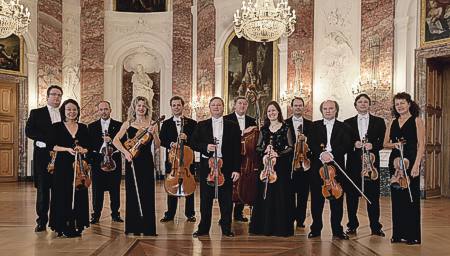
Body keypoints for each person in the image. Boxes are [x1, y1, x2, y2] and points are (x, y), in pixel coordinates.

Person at [191, 97, 241, 237]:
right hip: (207, 168)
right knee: (205, 200)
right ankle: (203, 229)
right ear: (210, 107)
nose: (216, 107)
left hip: (226, 167)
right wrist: (205, 147)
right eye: (213, 105)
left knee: (226, 200)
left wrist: (236, 169)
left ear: (223, 107)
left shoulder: (232, 125)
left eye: (219, 105)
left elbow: (237, 149)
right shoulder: (201, 125)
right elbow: (193, 143)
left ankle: (226, 229)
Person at [113, 96, 160, 236]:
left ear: (147, 108)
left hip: (146, 161)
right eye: (139, 105)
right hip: (132, 160)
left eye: (144, 106)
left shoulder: (152, 124)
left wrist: (154, 134)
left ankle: (148, 228)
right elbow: (116, 140)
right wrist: (125, 153)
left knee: (147, 192)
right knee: (133, 193)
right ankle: (133, 226)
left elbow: (157, 146)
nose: (141, 108)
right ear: (134, 107)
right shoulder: (128, 124)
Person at [383, 92, 425, 245]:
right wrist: (395, 145)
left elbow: (421, 145)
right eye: (397, 104)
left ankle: (412, 235)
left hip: (410, 161)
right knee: (397, 199)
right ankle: (397, 234)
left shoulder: (417, 120)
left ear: (409, 104)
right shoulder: (392, 122)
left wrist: (416, 165)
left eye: (402, 103)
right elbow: (385, 143)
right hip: (395, 163)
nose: (399, 106)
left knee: (411, 199)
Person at [307, 100, 352, 240]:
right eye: (325, 108)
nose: (328, 111)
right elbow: (311, 143)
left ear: (336, 110)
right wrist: (321, 154)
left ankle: (337, 230)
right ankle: (315, 228)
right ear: (322, 111)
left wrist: (332, 155)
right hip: (317, 167)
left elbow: (347, 145)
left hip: (336, 166)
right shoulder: (314, 126)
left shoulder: (344, 126)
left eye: (331, 108)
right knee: (316, 200)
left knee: (337, 200)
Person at [249, 101, 295, 237]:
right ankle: (264, 227)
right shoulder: (264, 129)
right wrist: (265, 149)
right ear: (266, 114)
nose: (271, 113)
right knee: (266, 195)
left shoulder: (286, 127)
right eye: (269, 111)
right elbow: (257, 147)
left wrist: (278, 153)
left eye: (274, 110)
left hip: (281, 167)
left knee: (280, 195)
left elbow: (291, 147)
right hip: (267, 166)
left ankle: (280, 228)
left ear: (278, 112)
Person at [344, 94, 386, 237]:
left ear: (369, 105)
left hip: (371, 164)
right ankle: (352, 225)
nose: (362, 104)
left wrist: (373, 145)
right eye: (360, 102)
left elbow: (383, 142)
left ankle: (375, 226)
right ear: (355, 105)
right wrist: (353, 144)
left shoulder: (379, 122)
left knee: (373, 196)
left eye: (365, 102)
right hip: (353, 164)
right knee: (351, 196)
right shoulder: (347, 122)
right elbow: (343, 143)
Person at [48, 99, 90, 237]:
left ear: (78, 111)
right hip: (62, 166)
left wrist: (82, 149)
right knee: (61, 194)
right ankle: (62, 225)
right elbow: (51, 145)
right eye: (69, 109)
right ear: (64, 111)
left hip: (78, 167)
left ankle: (77, 224)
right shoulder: (56, 126)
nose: (72, 112)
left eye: (74, 109)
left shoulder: (84, 127)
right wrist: (67, 149)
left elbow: (89, 147)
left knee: (79, 194)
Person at [25, 85, 63, 232]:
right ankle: (41, 221)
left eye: (59, 95)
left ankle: (57, 220)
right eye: (54, 94)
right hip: (42, 158)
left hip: (61, 157)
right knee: (43, 191)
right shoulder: (36, 113)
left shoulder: (64, 113)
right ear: (47, 96)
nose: (56, 97)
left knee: (59, 189)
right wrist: (44, 142)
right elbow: (29, 131)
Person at [159, 96, 197, 223]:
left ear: (182, 106)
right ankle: (170, 214)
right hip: (172, 160)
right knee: (171, 186)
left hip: (187, 159)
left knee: (189, 185)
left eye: (178, 105)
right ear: (171, 107)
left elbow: (197, 141)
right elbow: (161, 140)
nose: (176, 107)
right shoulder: (166, 123)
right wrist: (171, 144)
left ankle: (190, 213)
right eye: (174, 105)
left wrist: (187, 138)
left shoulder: (192, 123)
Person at [88, 101, 123, 224]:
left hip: (114, 162)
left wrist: (112, 141)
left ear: (110, 110)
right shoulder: (91, 126)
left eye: (106, 109)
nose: (104, 111)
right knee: (97, 190)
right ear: (98, 111)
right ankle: (96, 215)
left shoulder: (119, 125)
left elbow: (123, 144)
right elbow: (89, 145)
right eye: (101, 109)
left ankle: (115, 214)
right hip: (98, 162)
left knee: (115, 190)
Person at [223, 96, 257, 222]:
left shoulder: (252, 120)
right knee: (229, 186)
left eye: (245, 104)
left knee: (244, 184)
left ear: (247, 106)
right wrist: (242, 132)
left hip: (246, 157)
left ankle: (238, 213)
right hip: (230, 157)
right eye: (240, 103)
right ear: (235, 105)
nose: (242, 106)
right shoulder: (226, 119)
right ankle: (225, 216)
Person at [285, 97, 313, 229]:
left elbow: (314, 144)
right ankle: (289, 218)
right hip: (289, 164)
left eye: (300, 105)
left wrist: (306, 140)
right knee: (289, 193)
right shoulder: (284, 124)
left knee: (303, 194)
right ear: (291, 107)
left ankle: (301, 219)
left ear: (303, 107)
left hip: (304, 164)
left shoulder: (311, 124)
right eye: (295, 105)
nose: (298, 107)